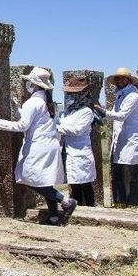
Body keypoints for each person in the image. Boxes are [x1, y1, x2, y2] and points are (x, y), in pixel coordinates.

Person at [0, 67, 76, 225]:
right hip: (50, 145)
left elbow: (22, 126)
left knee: (28, 178)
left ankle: (66, 201)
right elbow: (35, 121)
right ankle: (53, 216)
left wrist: (0, 123)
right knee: (45, 181)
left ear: (35, 84)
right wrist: (19, 108)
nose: (28, 84)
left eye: (29, 82)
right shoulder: (48, 102)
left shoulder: (33, 102)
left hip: (38, 146)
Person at [95, 67, 138, 207]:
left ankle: (134, 202)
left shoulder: (133, 96)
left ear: (128, 80)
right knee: (117, 172)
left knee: (133, 172)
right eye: (117, 78)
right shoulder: (121, 96)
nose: (119, 81)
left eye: (122, 78)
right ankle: (120, 201)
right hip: (121, 138)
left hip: (130, 138)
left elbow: (121, 116)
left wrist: (103, 112)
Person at [57, 76, 98, 206]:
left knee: (85, 184)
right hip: (69, 151)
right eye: (68, 93)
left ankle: (90, 210)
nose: (69, 96)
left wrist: (58, 128)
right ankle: (77, 210)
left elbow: (77, 130)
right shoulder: (69, 111)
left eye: (73, 93)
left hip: (80, 152)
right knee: (74, 185)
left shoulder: (86, 112)